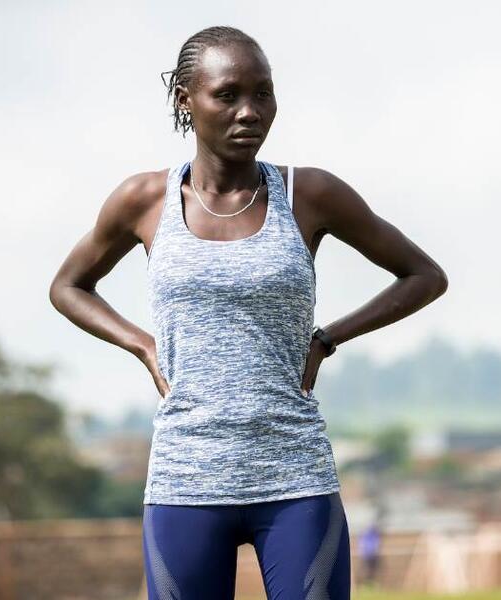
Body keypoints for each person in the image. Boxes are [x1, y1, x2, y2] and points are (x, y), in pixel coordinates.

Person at [49, 25, 448, 600]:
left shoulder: (307, 194)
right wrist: (143, 344)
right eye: (228, 94)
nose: (249, 112)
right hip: (187, 476)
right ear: (186, 101)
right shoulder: (144, 201)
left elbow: (424, 276)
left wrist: (329, 338)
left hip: (295, 475)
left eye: (262, 94)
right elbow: (69, 286)